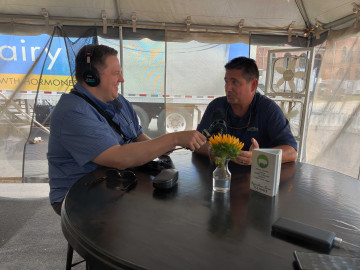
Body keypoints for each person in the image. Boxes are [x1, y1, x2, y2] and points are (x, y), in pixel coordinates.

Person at [47, 44, 206, 215]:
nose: (122, 79)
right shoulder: (73, 112)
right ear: (91, 77)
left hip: (115, 182)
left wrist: (158, 148)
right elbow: (118, 158)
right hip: (79, 194)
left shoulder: (118, 100)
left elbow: (137, 135)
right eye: (116, 73)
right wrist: (173, 138)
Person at [195, 56, 297, 165]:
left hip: (256, 178)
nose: (228, 88)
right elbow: (197, 143)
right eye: (226, 82)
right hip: (218, 176)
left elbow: (291, 152)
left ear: (253, 85)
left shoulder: (268, 109)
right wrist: (212, 151)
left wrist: (259, 156)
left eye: (235, 82)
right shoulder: (216, 106)